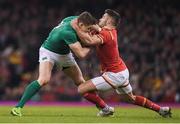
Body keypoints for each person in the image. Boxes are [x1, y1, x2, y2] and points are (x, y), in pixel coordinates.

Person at [72, 9, 172, 117]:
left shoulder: (105, 34)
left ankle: (106, 109)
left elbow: (89, 41)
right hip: (122, 71)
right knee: (131, 99)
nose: (100, 18)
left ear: (109, 20)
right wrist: (94, 27)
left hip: (114, 74)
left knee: (82, 89)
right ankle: (161, 110)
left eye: (103, 17)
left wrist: (76, 28)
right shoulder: (112, 31)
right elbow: (100, 29)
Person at [11, 12, 114, 117]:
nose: (88, 31)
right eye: (87, 29)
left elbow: (95, 27)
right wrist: (92, 43)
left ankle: (104, 108)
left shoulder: (77, 20)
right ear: (81, 25)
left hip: (64, 54)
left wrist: (101, 32)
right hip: (48, 51)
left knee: (82, 83)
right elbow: (81, 54)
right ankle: (18, 108)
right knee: (44, 79)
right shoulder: (68, 32)